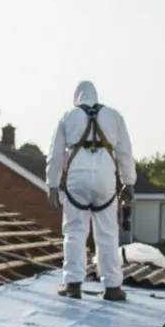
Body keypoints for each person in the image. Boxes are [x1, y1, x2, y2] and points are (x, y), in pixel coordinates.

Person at [46, 81, 136, 301]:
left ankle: (73, 285)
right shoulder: (114, 116)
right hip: (105, 178)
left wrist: (52, 185)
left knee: (75, 231)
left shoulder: (68, 116)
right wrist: (129, 182)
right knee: (107, 233)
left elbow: (56, 154)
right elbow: (125, 152)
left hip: (77, 177)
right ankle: (113, 287)